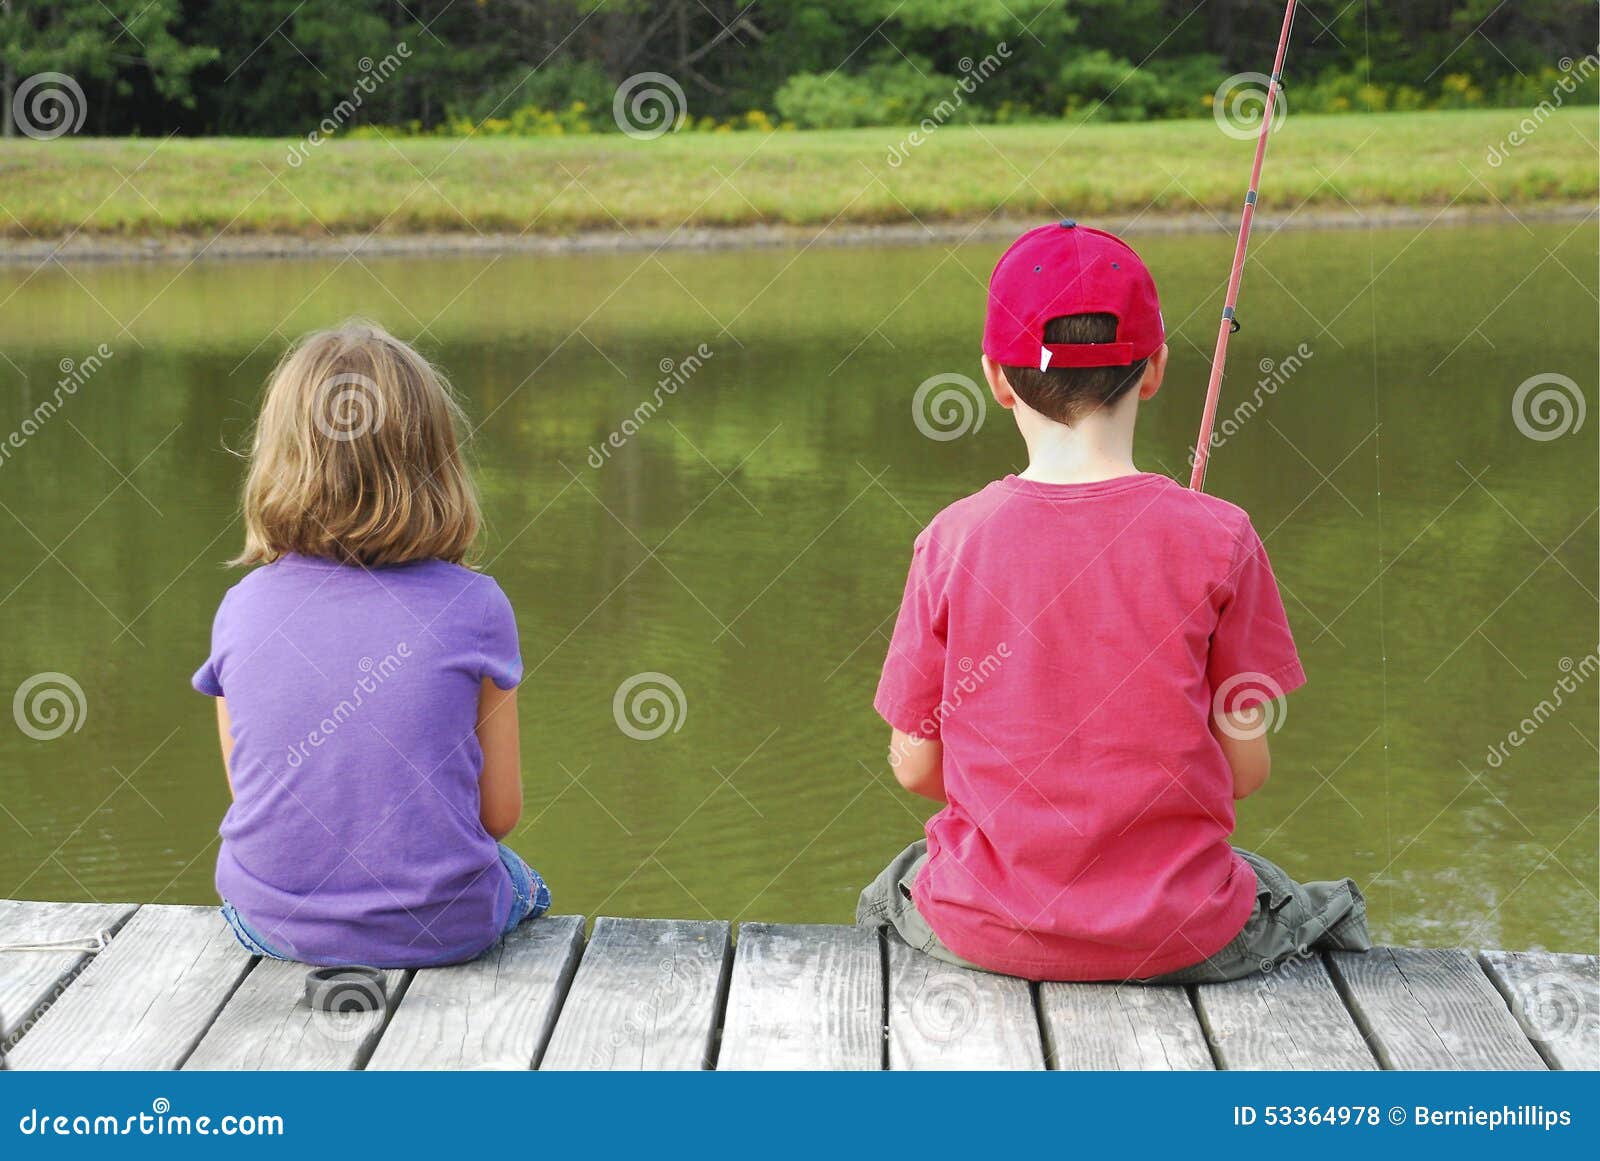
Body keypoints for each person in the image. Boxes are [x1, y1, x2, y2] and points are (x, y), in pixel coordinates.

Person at [857, 222, 1369, 983]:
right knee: (1301, 897)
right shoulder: (1221, 535)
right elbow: (1245, 769)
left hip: (990, 926)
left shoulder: (950, 538)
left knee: (897, 881)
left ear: (997, 379)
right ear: (1155, 367)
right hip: (1180, 935)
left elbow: (914, 766)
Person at [192, 320, 548, 968]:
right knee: (523, 880)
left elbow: (252, 796)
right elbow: (498, 814)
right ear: (437, 462)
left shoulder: (241, 608)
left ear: (278, 459)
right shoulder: (478, 606)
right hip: (445, 929)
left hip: (272, 922)